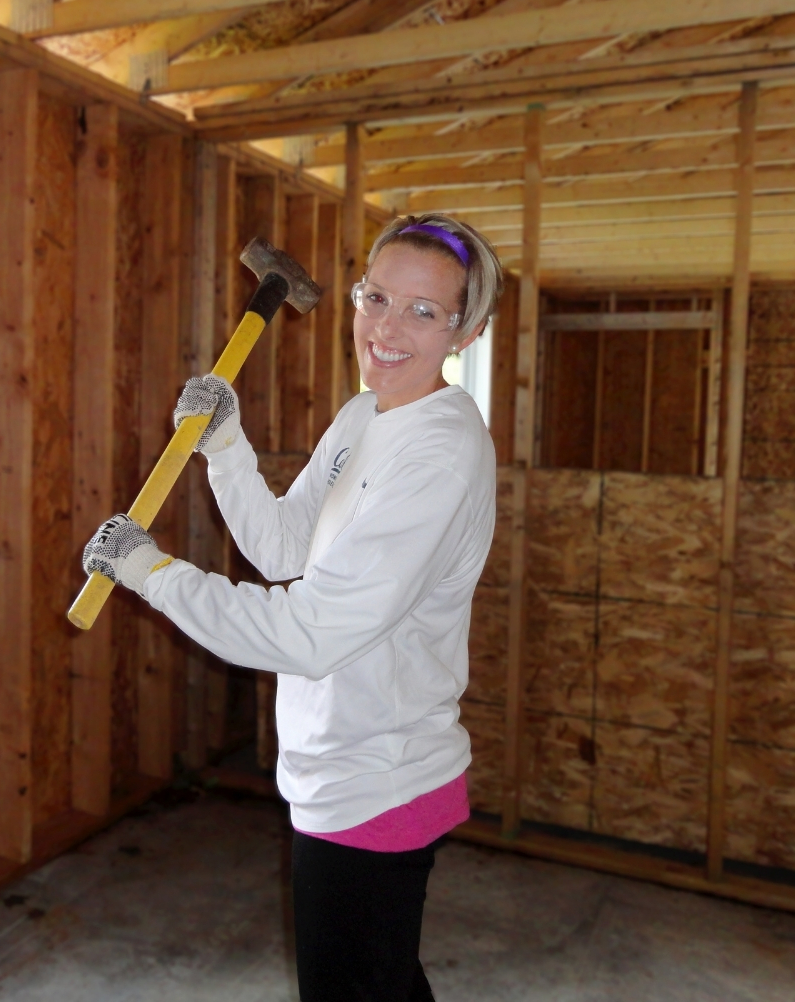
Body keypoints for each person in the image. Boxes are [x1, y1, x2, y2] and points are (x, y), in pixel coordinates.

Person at [82, 213, 503, 1001]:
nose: (385, 326)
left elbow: (311, 635)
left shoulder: (442, 452)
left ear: (467, 330)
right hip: (337, 768)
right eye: (375, 297)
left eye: (422, 310)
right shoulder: (363, 416)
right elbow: (282, 550)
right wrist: (226, 446)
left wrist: (153, 572)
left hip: (379, 782)